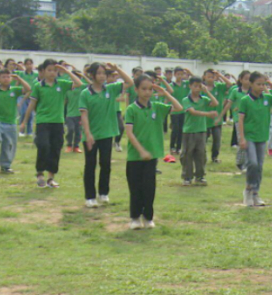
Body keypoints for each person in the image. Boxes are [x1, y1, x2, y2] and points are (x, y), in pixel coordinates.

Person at [124, 75, 182, 230]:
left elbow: (178, 108)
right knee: (136, 188)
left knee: (149, 188)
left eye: (150, 89)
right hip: (135, 157)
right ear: (136, 90)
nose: (147, 92)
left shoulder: (157, 106)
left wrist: (165, 93)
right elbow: (129, 133)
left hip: (152, 156)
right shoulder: (131, 109)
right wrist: (141, 150)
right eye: (143, 89)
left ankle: (148, 217)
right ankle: (135, 218)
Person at [21, 60, 82, 188]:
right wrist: (24, 121)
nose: (52, 73)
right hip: (43, 122)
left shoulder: (62, 84)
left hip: (58, 122)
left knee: (55, 148)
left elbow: (79, 83)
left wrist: (66, 71)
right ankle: (40, 174)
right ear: (43, 71)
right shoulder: (38, 86)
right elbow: (32, 104)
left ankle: (50, 178)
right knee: (43, 146)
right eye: (49, 70)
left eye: (55, 70)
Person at [79, 63, 134, 207]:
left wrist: (117, 70)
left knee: (106, 164)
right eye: (99, 73)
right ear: (92, 75)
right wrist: (88, 134)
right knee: (90, 165)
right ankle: (89, 197)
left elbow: (130, 82)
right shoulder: (85, 93)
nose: (102, 76)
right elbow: (84, 115)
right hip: (91, 136)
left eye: (104, 73)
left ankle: (103, 193)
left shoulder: (111, 89)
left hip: (107, 133)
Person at [237, 72, 272, 207]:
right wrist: (242, 138)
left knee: (259, 166)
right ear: (251, 84)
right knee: (253, 164)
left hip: (262, 137)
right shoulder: (245, 100)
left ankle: (256, 193)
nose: (261, 87)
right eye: (258, 84)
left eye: (263, 84)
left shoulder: (267, 98)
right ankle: (248, 189)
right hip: (250, 137)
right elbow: (241, 120)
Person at [179, 76, 219, 186]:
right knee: (187, 154)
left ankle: (200, 176)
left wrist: (207, 92)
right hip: (189, 131)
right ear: (190, 86)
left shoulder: (203, 99)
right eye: (195, 86)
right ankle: (187, 176)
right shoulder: (186, 100)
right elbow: (193, 112)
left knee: (201, 154)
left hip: (201, 130)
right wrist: (208, 114)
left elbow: (215, 103)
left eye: (199, 86)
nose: (197, 88)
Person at [203, 69, 231, 164]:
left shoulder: (219, 87)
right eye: (208, 76)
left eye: (212, 76)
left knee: (217, 140)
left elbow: (229, 85)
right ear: (204, 77)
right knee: (203, 140)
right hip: (204, 119)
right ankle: (203, 156)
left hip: (216, 119)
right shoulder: (202, 88)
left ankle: (214, 157)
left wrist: (220, 76)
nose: (210, 78)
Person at [168, 67, 190, 155]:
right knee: (175, 129)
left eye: (182, 74)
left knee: (181, 130)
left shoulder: (186, 84)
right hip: (174, 110)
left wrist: (189, 72)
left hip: (183, 111)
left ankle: (178, 148)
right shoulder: (171, 85)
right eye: (178, 74)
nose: (180, 76)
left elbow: (197, 80)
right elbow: (168, 96)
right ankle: (172, 146)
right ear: (174, 75)